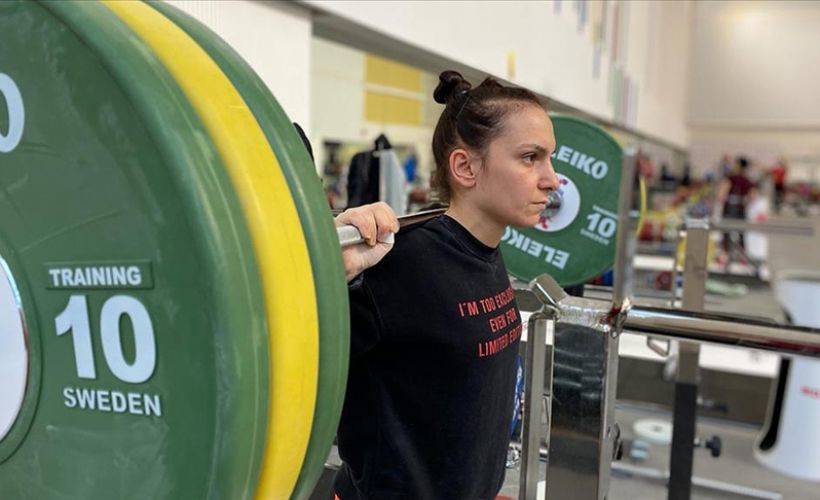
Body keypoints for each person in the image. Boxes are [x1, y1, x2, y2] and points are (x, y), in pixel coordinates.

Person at [332, 70, 559, 499]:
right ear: (465, 167)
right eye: (531, 157)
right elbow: (298, 354)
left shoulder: (484, 250)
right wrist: (332, 271)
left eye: (550, 158)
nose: (552, 179)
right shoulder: (401, 260)